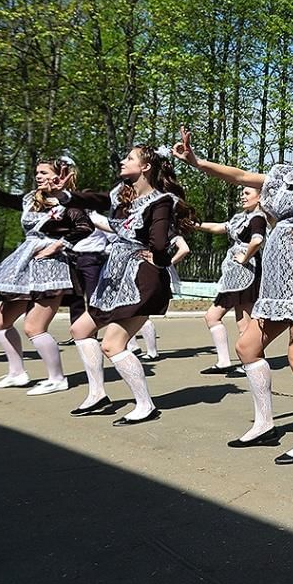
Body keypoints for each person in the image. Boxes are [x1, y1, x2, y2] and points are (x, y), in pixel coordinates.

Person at [172, 122, 293, 456]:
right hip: (275, 281)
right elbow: (241, 176)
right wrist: (198, 163)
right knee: (246, 347)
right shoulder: (285, 176)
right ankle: (264, 424)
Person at [64, 145, 195, 425]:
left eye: (130, 158)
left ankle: (145, 405)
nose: (123, 162)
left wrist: (160, 261)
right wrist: (62, 195)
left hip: (140, 278)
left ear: (145, 167)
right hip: (116, 275)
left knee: (112, 344)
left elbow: (160, 242)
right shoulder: (125, 196)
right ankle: (98, 394)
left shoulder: (160, 201)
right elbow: (93, 198)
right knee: (80, 329)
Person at [0, 157, 92, 394]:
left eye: (44, 172)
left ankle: (57, 378)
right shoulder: (29, 199)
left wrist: (58, 245)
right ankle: (17, 373)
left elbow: (85, 227)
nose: (38, 176)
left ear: (59, 175)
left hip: (51, 268)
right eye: (37, 172)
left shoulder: (70, 202)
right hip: (24, 265)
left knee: (34, 327)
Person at [193, 186, 267, 375]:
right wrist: (195, 224)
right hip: (234, 276)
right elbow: (220, 227)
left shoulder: (258, 217)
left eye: (247, 193)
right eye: (242, 193)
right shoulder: (241, 217)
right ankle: (228, 361)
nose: (243, 196)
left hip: (246, 274)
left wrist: (245, 257)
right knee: (236, 321)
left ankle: (250, 361)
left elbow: (257, 240)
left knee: (223, 318)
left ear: (259, 197)